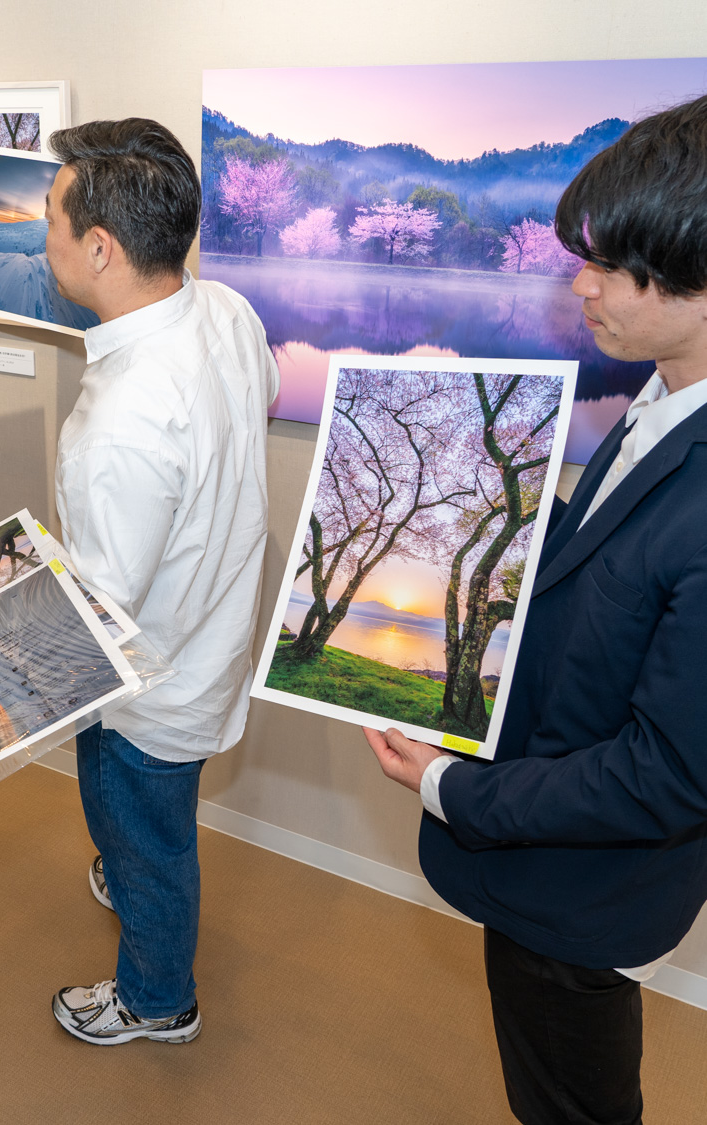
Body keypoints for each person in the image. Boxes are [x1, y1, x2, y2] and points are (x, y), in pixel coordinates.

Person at [0, 119, 279, 1045]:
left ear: (99, 247)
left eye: (48, 213)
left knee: (149, 835)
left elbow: (86, 620)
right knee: (144, 825)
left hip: (153, 687)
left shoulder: (120, 427)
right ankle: (131, 873)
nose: (37, 231)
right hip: (206, 639)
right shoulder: (227, 313)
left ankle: (158, 998)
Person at [365, 94, 707, 1125]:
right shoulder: (661, 397)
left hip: (584, 880)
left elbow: (667, 775)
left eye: (612, 265)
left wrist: (453, 791)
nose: (584, 286)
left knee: (573, 1100)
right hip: (548, 830)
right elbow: (613, 564)